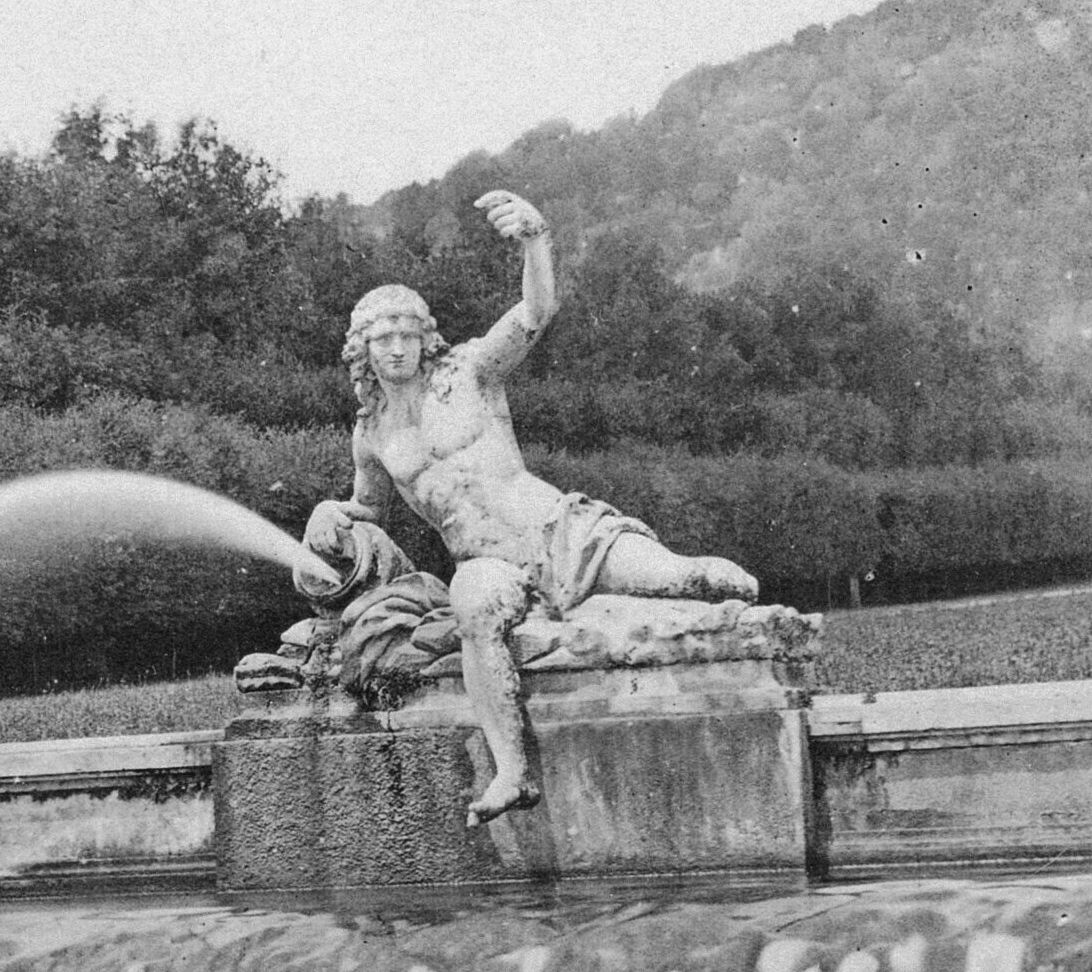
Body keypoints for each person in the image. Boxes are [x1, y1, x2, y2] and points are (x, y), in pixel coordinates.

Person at [292, 193, 759, 820]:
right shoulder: (371, 433)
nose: (397, 348)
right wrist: (330, 512)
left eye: (408, 335)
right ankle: (512, 773)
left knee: (697, 579)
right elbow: (367, 506)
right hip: (485, 562)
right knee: (474, 610)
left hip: (558, 531)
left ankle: (752, 625)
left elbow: (536, 313)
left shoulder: (470, 372)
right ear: (363, 350)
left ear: (425, 339)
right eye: (383, 339)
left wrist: (536, 241)